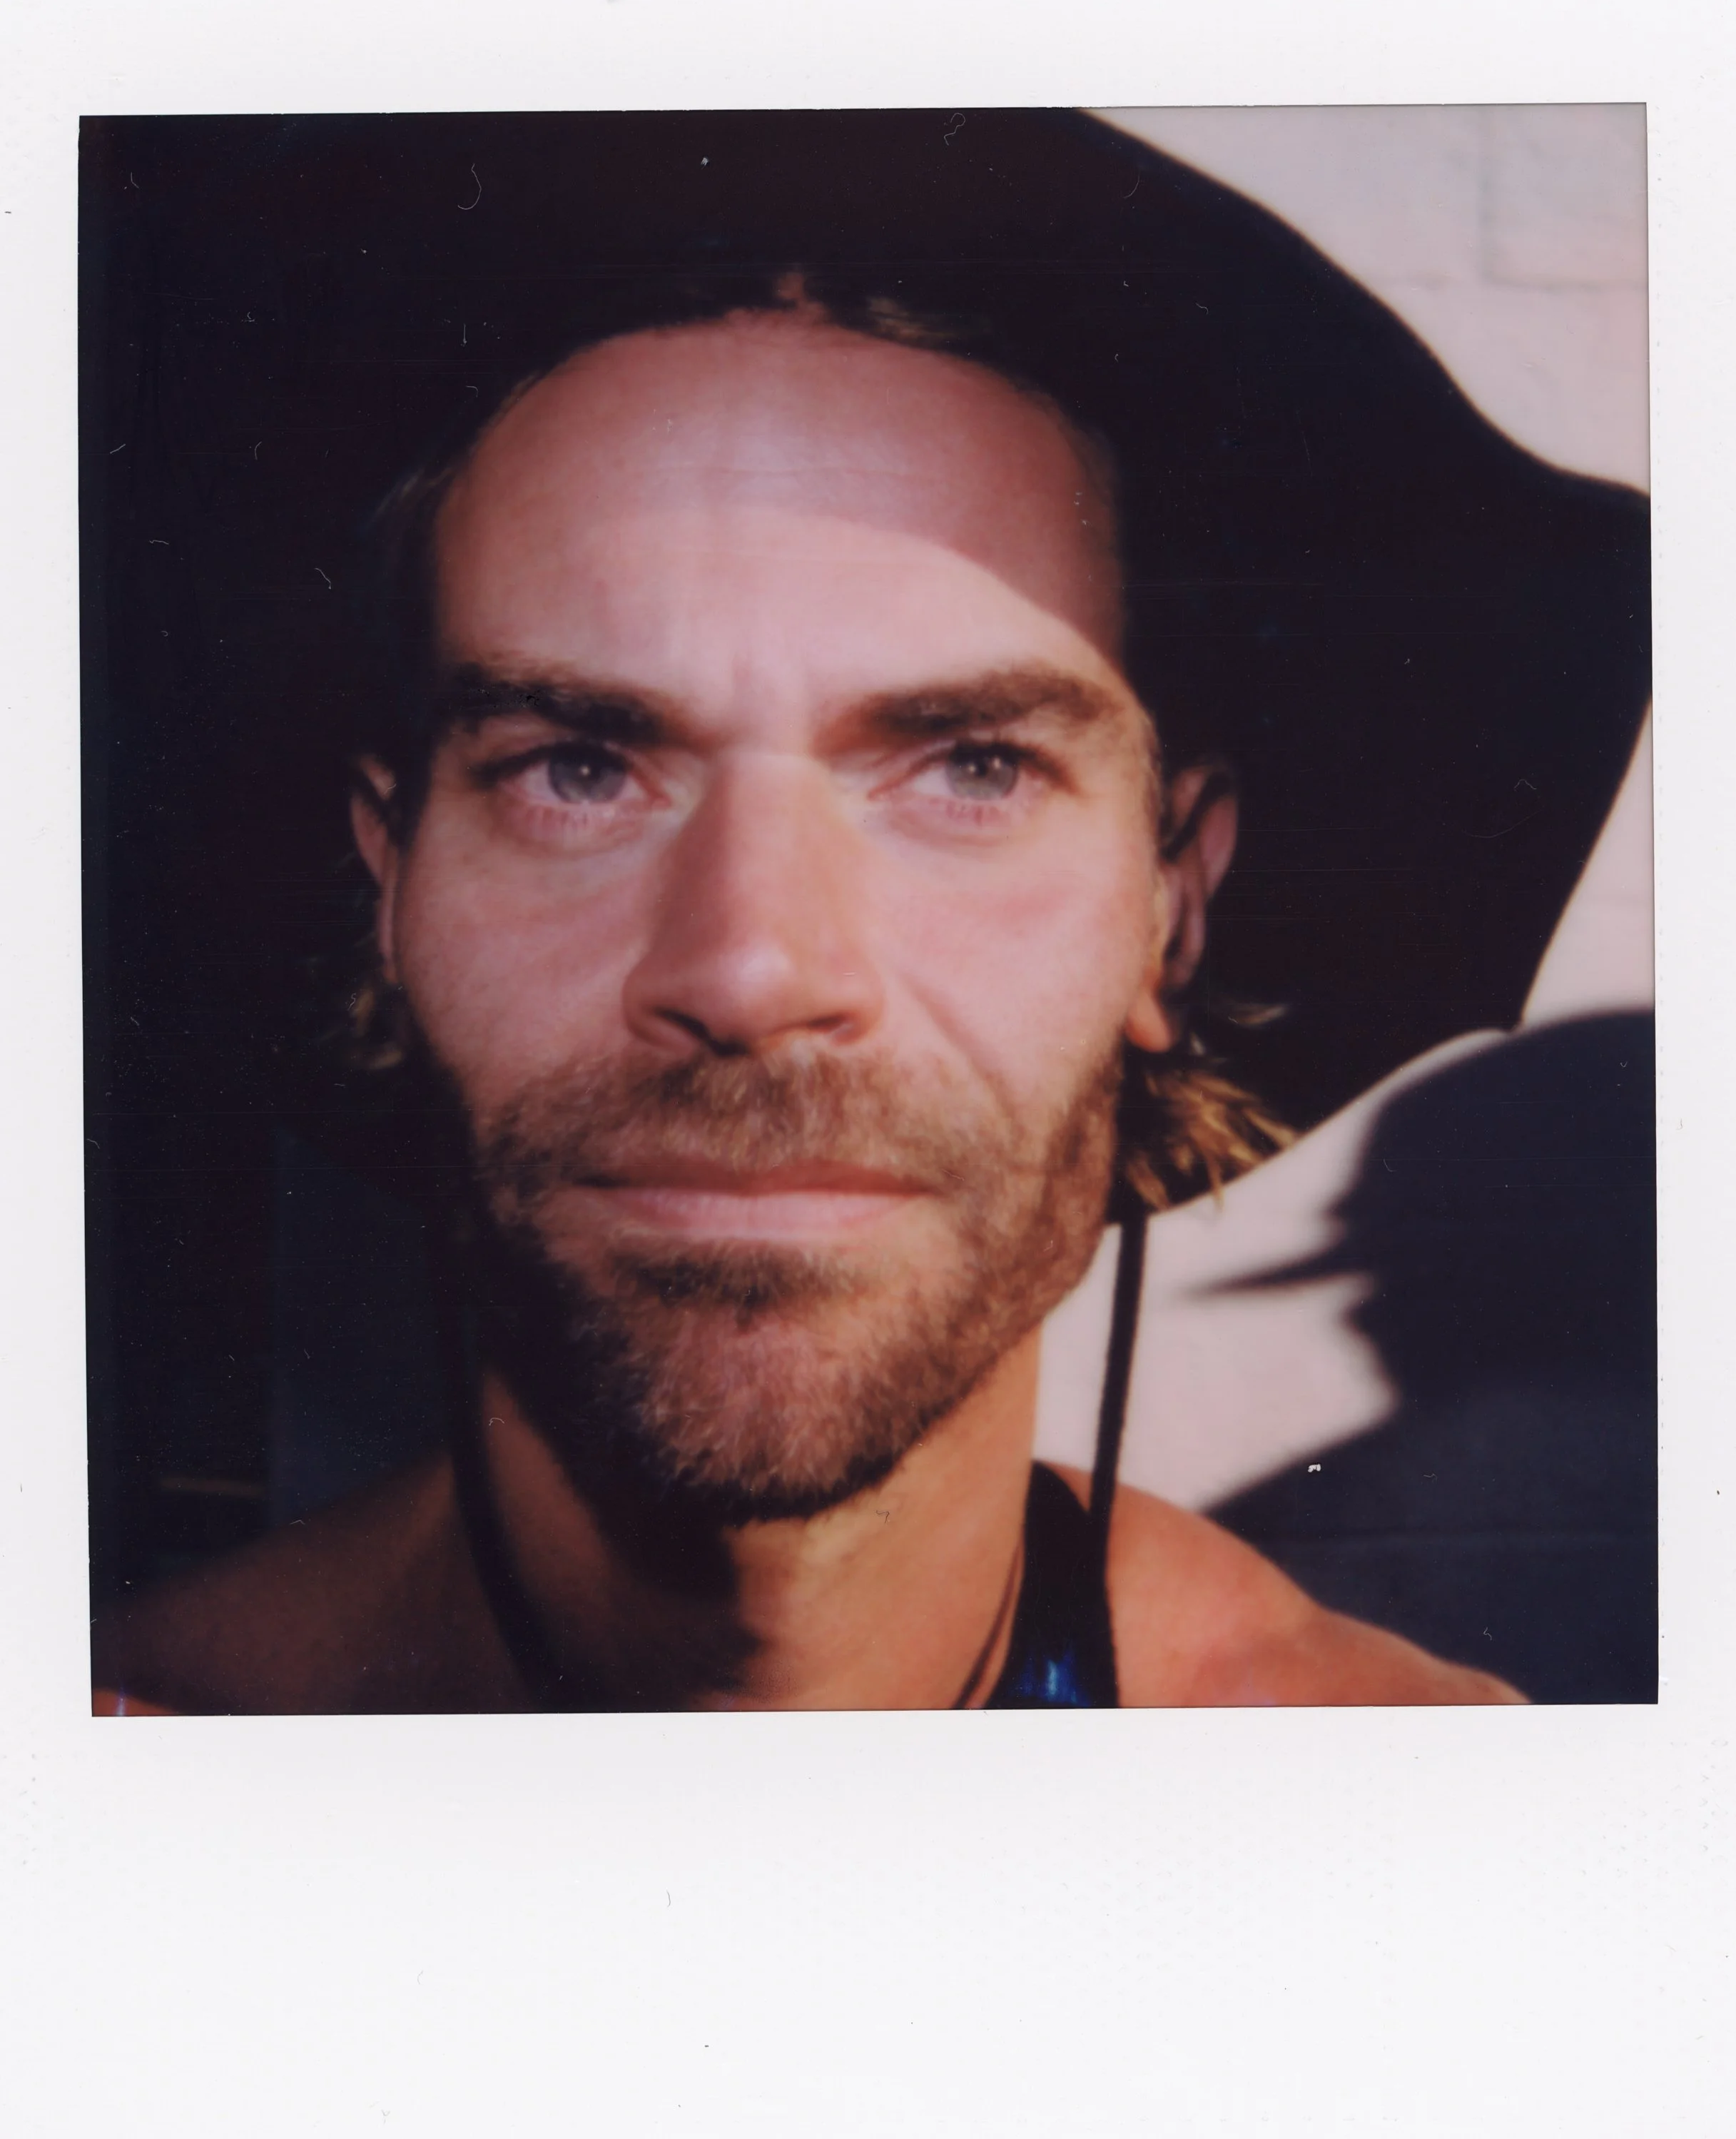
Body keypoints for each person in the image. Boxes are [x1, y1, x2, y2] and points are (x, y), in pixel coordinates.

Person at [93, 273, 1524, 1711]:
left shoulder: (1433, 1841)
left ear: (1169, 907)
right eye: (578, 769)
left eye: (973, 766)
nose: (751, 970)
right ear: (391, 886)